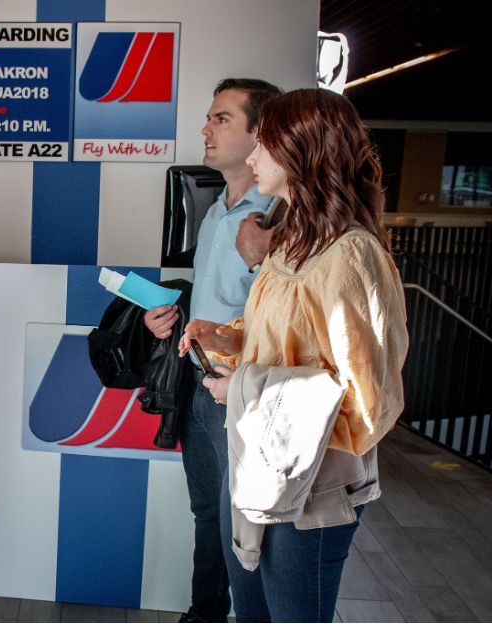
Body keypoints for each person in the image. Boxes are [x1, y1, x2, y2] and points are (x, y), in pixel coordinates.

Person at [180, 88, 408, 622]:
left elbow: (367, 403)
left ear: (302, 152)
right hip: (259, 464)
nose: (253, 156)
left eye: (265, 144)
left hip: (314, 490)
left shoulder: (352, 255)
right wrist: (229, 337)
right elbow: (285, 336)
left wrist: (235, 388)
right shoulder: (291, 239)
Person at [144, 78, 283, 623]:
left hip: (246, 395)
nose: (205, 129)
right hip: (200, 388)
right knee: (208, 513)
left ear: (260, 134)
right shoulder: (216, 211)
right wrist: (172, 319)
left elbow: (288, 321)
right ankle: (205, 613)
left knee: (246, 525)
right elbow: (217, 302)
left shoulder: (281, 215)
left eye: (221, 119)